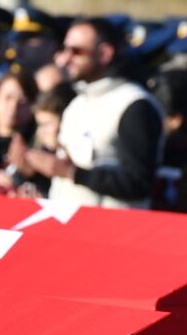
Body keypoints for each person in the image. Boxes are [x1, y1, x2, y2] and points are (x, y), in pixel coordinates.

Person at [28, 17, 161, 209]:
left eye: (76, 51)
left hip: (114, 232)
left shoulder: (134, 105)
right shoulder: (77, 103)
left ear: (104, 53)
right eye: (64, 50)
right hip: (69, 227)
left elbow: (138, 182)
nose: (65, 59)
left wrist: (74, 173)